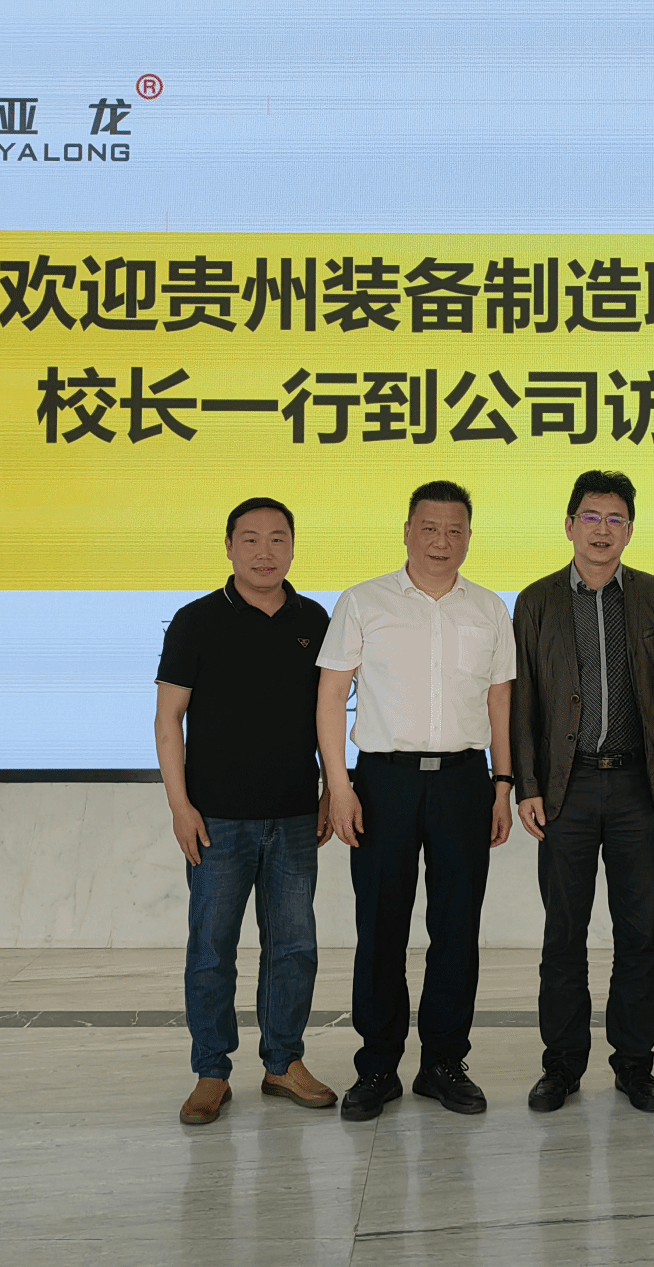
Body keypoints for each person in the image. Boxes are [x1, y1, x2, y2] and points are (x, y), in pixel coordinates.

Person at [318, 480, 517, 1121]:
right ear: (407, 531)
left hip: (464, 781)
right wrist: (339, 784)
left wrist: (503, 784)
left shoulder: (489, 608)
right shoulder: (363, 601)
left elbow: (500, 702)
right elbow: (330, 697)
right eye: (429, 528)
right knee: (381, 926)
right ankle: (377, 1067)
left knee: (456, 927)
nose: (441, 541)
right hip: (384, 781)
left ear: (469, 537)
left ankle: (443, 1064)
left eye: (455, 530)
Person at [512, 470, 654, 1115]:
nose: (602, 530)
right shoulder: (535, 601)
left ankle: (635, 1064)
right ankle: (561, 1065)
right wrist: (527, 784)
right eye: (590, 517)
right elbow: (522, 701)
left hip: (639, 789)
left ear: (630, 531)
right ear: (569, 525)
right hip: (567, 788)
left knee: (638, 934)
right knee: (563, 934)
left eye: (615, 519)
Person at [154, 497, 339, 1126]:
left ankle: (283, 1061)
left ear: (293, 547)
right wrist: (180, 806)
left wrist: (329, 789)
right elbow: (168, 720)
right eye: (251, 539)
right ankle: (211, 1071)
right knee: (211, 949)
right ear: (229, 546)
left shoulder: (315, 620)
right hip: (216, 821)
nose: (265, 552)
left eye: (278, 539)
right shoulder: (196, 621)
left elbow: (328, 714)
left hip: (295, 817)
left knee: (294, 947)